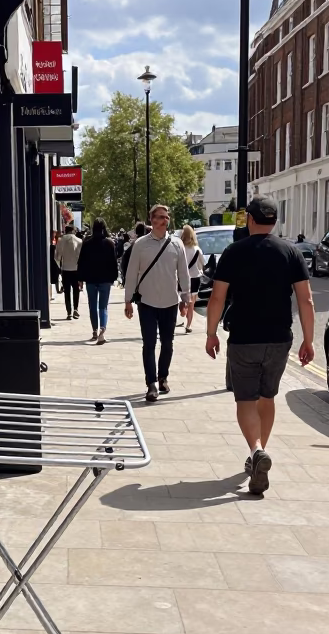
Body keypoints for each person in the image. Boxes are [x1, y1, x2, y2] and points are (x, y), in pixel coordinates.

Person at [204, 195, 315, 495]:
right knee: (267, 397)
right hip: (280, 339)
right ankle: (258, 454)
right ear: (274, 221)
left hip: (244, 338)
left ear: (251, 219)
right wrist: (309, 340)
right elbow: (305, 300)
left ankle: (255, 451)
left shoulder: (233, 252)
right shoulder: (290, 252)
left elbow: (216, 298)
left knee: (245, 401)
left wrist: (210, 332)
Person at [124, 204, 189, 402]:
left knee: (168, 343)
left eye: (166, 217)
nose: (164, 220)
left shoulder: (176, 244)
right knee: (149, 344)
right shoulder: (141, 244)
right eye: (160, 217)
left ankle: (163, 377)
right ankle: (151, 383)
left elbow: (184, 274)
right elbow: (131, 273)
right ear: (151, 220)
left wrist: (185, 298)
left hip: (170, 302)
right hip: (147, 302)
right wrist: (128, 301)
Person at [77, 217, 118, 343]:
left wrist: (80, 278)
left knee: (92, 306)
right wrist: (114, 277)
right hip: (105, 279)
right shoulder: (110, 244)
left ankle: (94, 330)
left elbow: (81, 262)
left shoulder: (87, 243)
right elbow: (113, 262)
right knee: (103, 306)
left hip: (90, 279)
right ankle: (102, 329)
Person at [54, 223, 82, 319]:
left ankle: (69, 312)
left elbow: (57, 257)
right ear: (73, 231)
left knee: (67, 291)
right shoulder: (79, 241)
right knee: (76, 290)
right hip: (76, 270)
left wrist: (60, 266)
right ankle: (76, 309)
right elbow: (82, 258)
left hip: (65, 269)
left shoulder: (61, 241)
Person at [179, 225, 204, 334]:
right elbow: (202, 264)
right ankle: (188, 325)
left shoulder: (179, 248)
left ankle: (182, 309)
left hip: (181, 278)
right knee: (192, 303)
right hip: (194, 278)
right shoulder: (197, 249)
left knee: (181, 298)